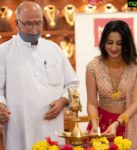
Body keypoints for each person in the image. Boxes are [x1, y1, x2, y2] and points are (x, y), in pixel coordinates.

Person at [0, 2, 79, 150]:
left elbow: (72, 84)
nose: (34, 29)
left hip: (52, 126)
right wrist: (1, 107)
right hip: (19, 129)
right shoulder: (4, 52)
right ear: (17, 23)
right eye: (28, 24)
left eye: (38, 23)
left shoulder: (54, 49)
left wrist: (62, 101)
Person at [86, 20, 137, 150]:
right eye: (110, 42)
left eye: (119, 43)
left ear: (127, 44)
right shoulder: (93, 66)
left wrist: (117, 123)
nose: (114, 48)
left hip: (131, 122)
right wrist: (94, 123)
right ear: (103, 42)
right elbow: (92, 102)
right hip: (102, 123)